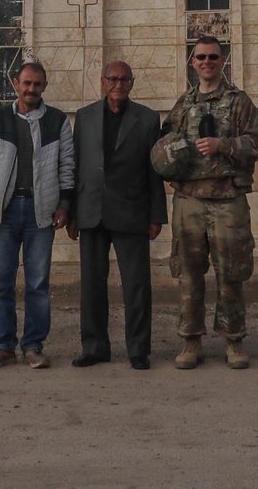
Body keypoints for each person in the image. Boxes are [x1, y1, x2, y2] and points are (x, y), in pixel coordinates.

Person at [151, 34, 258, 370]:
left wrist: (224, 145)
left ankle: (234, 341)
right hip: (189, 201)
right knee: (188, 274)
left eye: (213, 57)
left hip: (228, 199)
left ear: (223, 59)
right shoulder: (183, 104)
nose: (207, 62)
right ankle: (191, 341)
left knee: (230, 272)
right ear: (193, 62)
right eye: (200, 57)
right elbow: (165, 144)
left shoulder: (238, 101)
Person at [0, 59, 74, 369]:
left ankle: (33, 345)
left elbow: (67, 165)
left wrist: (64, 205)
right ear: (15, 83)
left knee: (37, 284)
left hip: (40, 211)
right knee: (0, 282)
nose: (31, 89)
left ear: (44, 86)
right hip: (3, 212)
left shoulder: (57, 121)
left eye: (37, 84)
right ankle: (3, 346)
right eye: (26, 83)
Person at [67, 60, 167, 371]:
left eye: (124, 79)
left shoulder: (148, 119)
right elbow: (75, 166)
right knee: (92, 284)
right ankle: (95, 347)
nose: (118, 84)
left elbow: (155, 172)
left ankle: (138, 349)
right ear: (102, 81)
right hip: (91, 211)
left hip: (132, 210)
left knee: (136, 285)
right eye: (112, 79)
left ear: (132, 83)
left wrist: (156, 216)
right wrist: (71, 212)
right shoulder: (84, 118)